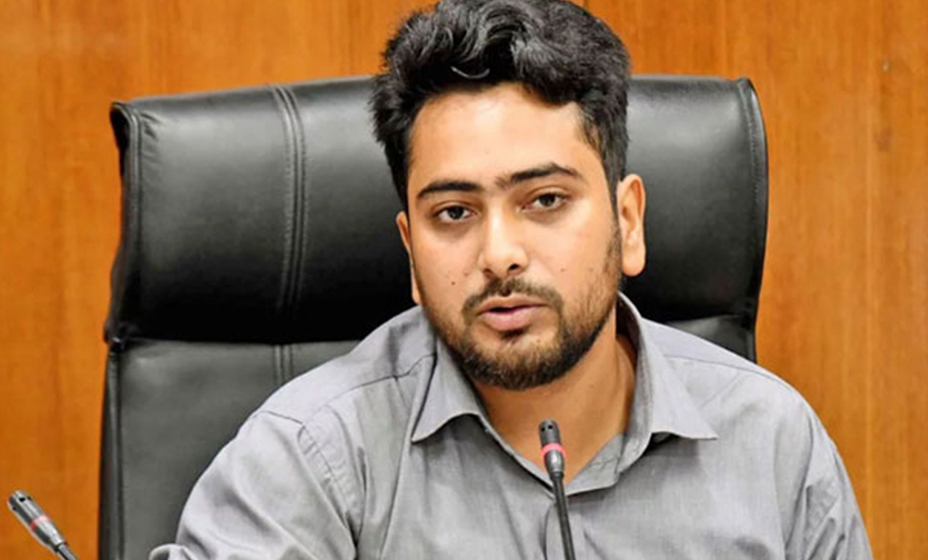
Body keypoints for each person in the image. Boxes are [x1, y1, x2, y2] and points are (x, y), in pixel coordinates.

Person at [152, 0, 873, 558]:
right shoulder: (313, 456)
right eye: (454, 213)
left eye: (545, 201)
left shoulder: (771, 443)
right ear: (410, 252)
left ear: (628, 222)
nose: (499, 254)